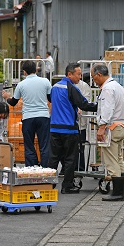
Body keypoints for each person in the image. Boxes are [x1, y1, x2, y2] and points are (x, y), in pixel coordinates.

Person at [48, 63, 97, 194]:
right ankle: (67, 185)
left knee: (53, 158)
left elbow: (50, 99)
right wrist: (100, 106)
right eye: (78, 74)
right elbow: (84, 104)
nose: (80, 77)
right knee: (70, 158)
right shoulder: (71, 88)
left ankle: (48, 184)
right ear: (70, 74)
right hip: (69, 129)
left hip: (54, 128)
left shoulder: (54, 87)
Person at [2, 60, 52, 167]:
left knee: (29, 146)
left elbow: (13, 102)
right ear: (35, 70)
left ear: (24, 72)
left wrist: (7, 97)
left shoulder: (21, 85)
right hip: (43, 116)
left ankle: (31, 169)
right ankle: (45, 170)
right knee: (44, 146)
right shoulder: (45, 82)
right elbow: (50, 98)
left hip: (28, 118)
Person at [91, 64, 124, 201]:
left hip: (111, 127)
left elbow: (107, 109)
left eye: (94, 77)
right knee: (119, 159)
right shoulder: (118, 86)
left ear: (99, 75)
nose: (93, 80)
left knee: (111, 161)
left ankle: (118, 192)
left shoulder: (107, 89)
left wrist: (102, 127)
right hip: (121, 125)